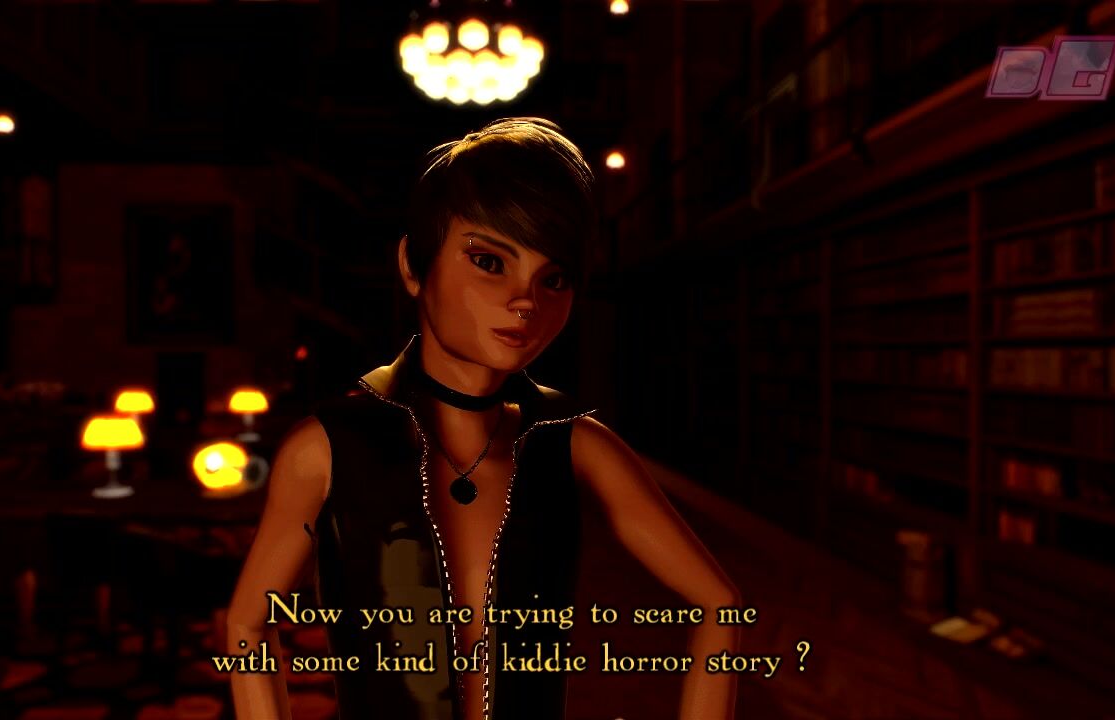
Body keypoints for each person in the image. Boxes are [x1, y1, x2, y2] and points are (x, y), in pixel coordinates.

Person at [227, 117, 740, 720]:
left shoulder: (576, 445)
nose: (526, 301)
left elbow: (721, 605)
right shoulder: (326, 448)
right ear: (413, 265)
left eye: (554, 278)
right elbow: (247, 624)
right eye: (489, 261)